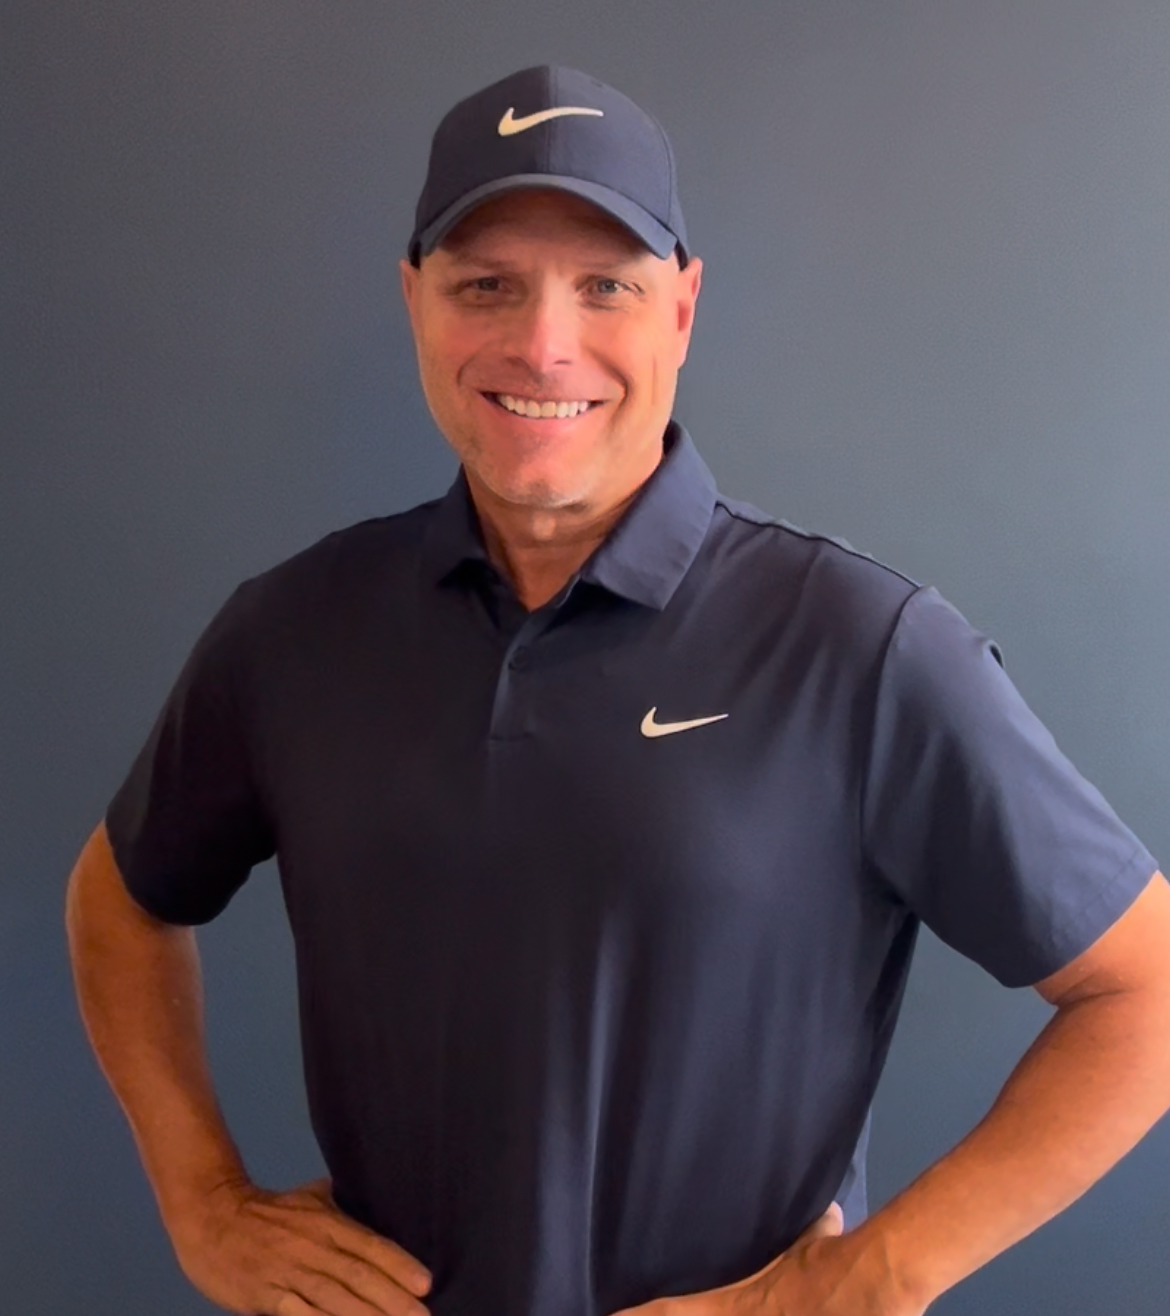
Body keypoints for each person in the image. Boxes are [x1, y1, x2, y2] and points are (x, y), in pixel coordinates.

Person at [66, 64, 1170, 1316]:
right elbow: (119, 897)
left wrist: (872, 1277)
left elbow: (1145, 988)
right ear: (414, 300)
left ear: (681, 309)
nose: (545, 344)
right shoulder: (293, 630)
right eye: (487, 284)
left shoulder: (860, 646)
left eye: (607, 286)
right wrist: (204, 1199)